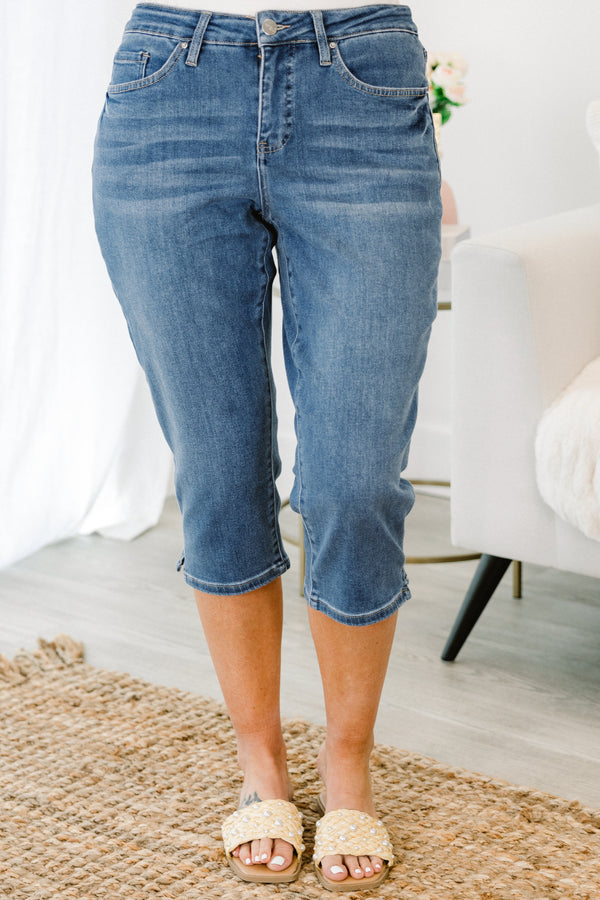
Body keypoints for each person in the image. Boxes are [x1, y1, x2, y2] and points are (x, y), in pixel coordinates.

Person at [92, 0, 442, 890]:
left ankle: (347, 759)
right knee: (216, 475)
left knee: (357, 482)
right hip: (169, 91)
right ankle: (261, 762)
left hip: (361, 84)